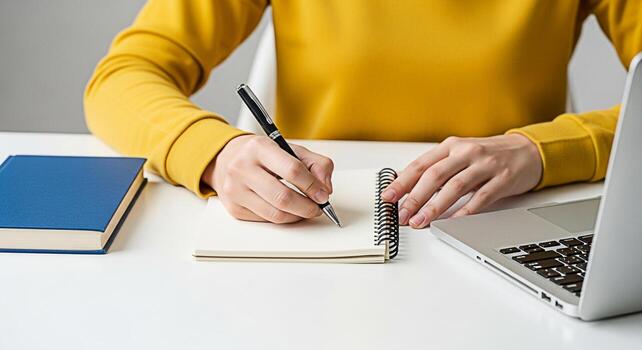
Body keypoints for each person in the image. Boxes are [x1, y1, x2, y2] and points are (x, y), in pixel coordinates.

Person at [85, 0, 641, 229]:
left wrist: (544, 151)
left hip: (506, 224)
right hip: (316, 231)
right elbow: (122, 78)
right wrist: (215, 152)